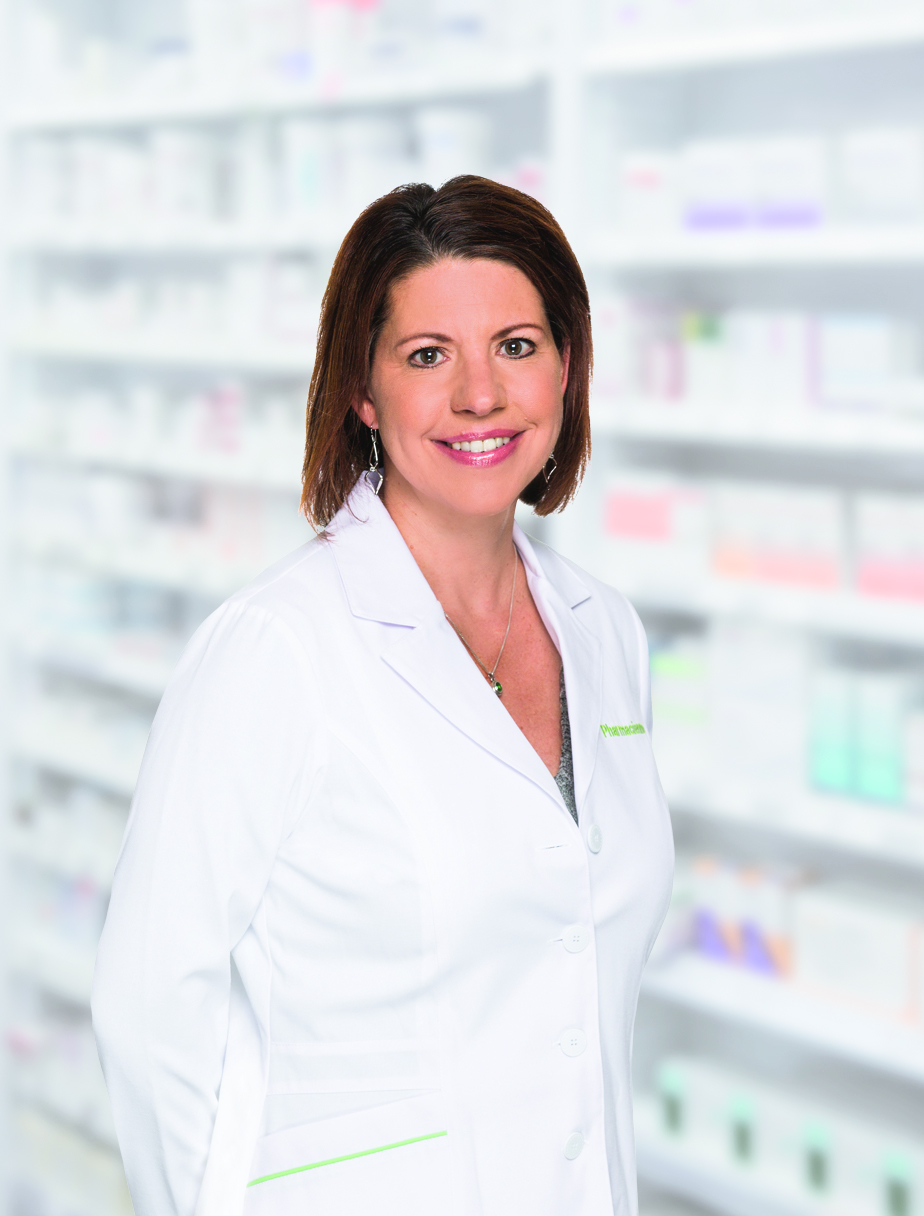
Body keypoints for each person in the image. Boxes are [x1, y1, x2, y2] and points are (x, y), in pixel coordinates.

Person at [92, 177, 675, 1216]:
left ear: (567, 365)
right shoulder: (275, 650)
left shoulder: (604, 632)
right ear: (363, 391)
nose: (480, 395)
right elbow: (149, 1008)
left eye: (516, 345)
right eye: (427, 356)